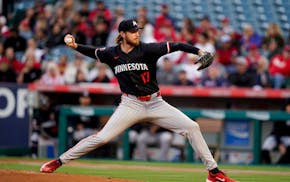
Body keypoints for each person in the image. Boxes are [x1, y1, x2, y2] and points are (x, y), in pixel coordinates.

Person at [40, 19, 237, 182]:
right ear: (123, 34)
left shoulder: (148, 49)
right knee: (102, 138)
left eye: (138, 31)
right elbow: (93, 52)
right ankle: (58, 161)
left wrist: (199, 52)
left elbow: (176, 45)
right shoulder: (111, 53)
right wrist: (75, 46)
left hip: (155, 103)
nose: (137, 34)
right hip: (130, 104)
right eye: (133, 31)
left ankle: (213, 173)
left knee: (192, 127)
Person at [261, 97, 290, 164]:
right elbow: (276, 131)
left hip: (288, 137)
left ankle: (280, 164)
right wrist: (280, 144)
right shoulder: (281, 114)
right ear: (286, 106)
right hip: (276, 136)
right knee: (265, 148)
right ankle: (268, 165)